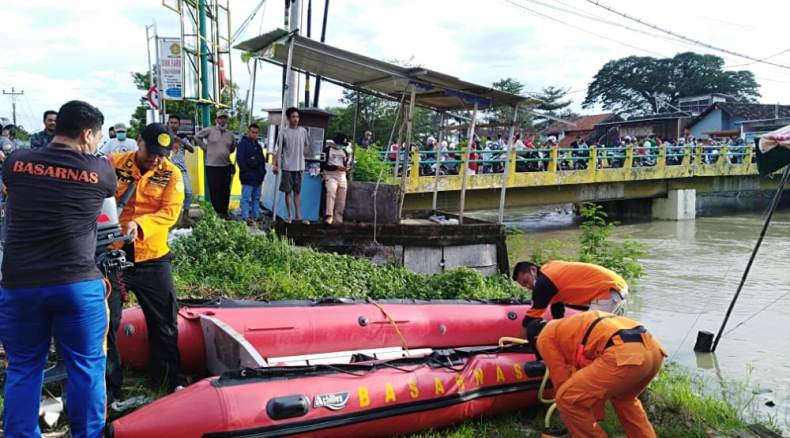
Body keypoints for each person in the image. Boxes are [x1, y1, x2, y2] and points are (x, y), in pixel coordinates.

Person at [0, 100, 116, 437]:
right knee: (86, 367)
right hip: (76, 283)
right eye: (95, 137)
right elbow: (109, 189)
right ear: (86, 134)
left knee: (23, 367)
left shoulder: (18, 162)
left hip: (20, 284)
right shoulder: (100, 170)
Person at [105, 123, 185, 402]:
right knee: (108, 321)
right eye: (150, 151)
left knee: (164, 320)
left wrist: (140, 224)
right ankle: (109, 387)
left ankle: (167, 381)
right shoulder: (113, 164)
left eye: (161, 154)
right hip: (112, 255)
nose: (155, 159)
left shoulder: (171, 174)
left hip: (152, 255)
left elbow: (171, 211)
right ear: (138, 142)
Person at [527, 311, 666, 438]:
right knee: (625, 399)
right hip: (653, 350)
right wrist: (590, 416)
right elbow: (593, 381)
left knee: (567, 398)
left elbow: (561, 379)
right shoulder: (569, 326)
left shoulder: (544, 336)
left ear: (535, 338)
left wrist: (575, 417)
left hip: (625, 355)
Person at [513, 260, 629, 325]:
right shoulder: (549, 274)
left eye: (526, 281)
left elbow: (529, 320)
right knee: (606, 329)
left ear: (533, 270)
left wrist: (513, 344)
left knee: (590, 330)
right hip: (615, 287)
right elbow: (557, 310)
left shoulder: (543, 284)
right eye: (524, 286)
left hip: (608, 290)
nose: (528, 286)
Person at [194, 110, 236, 217]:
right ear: (216, 119)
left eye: (224, 118)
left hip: (225, 165)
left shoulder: (230, 134)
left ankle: (224, 212)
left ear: (227, 119)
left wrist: (223, 152)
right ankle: (217, 212)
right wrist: (204, 147)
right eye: (220, 118)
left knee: (225, 190)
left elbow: (232, 148)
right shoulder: (209, 130)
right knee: (214, 190)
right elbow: (196, 137)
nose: (222, 120)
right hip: (212, 166)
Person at [273, 107, 309, 224]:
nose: (296, 119)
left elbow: (306, 147)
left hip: (299, 167)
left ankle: (299, 215)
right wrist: (275, 164)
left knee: (297, 192)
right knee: (288, 192)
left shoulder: (303, 131)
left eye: (297, 117)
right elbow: (279, 150)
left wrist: (305, 154)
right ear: (288, 118)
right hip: (287, 167)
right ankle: (289, 215)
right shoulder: (283, 132)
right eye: (293, 117)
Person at [236, 123, 266, 224]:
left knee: (256, 198)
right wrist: (246, 173)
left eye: (256, 133)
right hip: (248, 177)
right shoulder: (242, 144)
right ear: (248, 132)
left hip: (258, 177)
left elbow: (262, 161)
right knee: (246, 198)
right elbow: (240, 161)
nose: (254, 134)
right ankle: (245, 217)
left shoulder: (258, 146)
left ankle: (256, 216)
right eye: (253, 132)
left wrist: (263, 173)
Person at [167, 114, 195, 225]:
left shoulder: (183, 137)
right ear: (168, 124)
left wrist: (180, 141)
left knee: (188, 192)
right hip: (168, 170)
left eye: (175, 123)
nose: (173, 124)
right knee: (171, 194)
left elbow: (191, 149)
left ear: (179, 125)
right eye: (171, 122)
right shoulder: (164, 137)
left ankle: (185, 215)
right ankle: (173, 218)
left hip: (181, 170)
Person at [321, 137, 350, 225]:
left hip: (342, 176)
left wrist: (347, 167)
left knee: (341, 198)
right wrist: (336, 167)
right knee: (331, 192)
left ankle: (338, 217)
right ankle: (329, 215)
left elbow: (346, 162)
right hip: (330, 175)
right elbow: (323, 165)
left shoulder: (344, 152)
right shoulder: (326, 150)